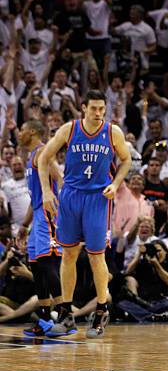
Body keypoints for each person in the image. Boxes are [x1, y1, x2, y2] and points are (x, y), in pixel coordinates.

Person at [38, 90, 132, 338]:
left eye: (102, 109)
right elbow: (43, 158)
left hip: (98, 199)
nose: (98, 113)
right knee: (68, 254)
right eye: (94, 108)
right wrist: (47, 192)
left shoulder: (113, 132)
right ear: (83, 107)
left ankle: (101, 310)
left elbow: (126, 160)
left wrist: (116, 183)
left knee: (96, 256)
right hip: (70, 196)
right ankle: (66, 314)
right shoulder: (70, 129)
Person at [18, 120, 64, 336]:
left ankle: (66, 317)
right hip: (37, 214)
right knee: (36, 266)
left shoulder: (43, 151)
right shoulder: (31, 157)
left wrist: (63, 211)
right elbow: (33, 197)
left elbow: (61, 180)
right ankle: (45, 319)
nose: (19, 133)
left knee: (48, 262)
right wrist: (24, 225)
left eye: (22, 129)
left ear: (33, 132)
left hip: (47, 213)